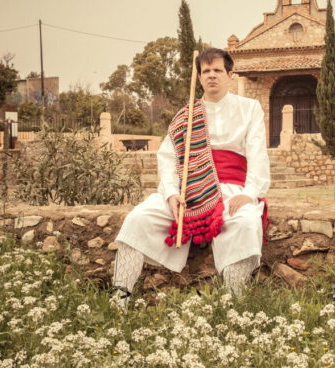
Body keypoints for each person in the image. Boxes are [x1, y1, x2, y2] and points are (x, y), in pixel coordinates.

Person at [110, 48, 270, 311]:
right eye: (206, 71)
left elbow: (257, 153)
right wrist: (172, 194)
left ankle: (235, 308)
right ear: (199, 76)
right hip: (189, 190)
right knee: (138, 219)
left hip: (232, 190)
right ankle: (119, 302)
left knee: (245, 223)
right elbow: (168, 158)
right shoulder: (186, 116)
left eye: (218, 70)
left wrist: (250, 193)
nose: (212, 75)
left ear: (230, 75)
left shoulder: (249, 109)